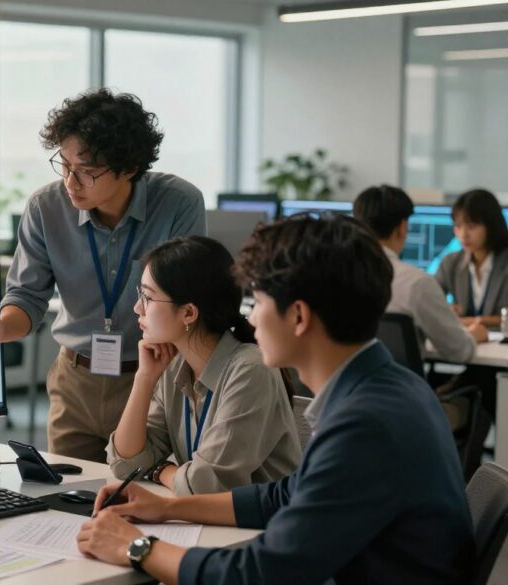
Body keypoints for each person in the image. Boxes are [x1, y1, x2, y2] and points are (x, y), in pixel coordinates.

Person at [76, 215, 473, 584]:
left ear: (298, 316)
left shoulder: (365, 423)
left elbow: (263, 573)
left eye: (260, 302)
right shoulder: (384, 388)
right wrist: (165, 508)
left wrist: (136, 547)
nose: (250, 319)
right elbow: (284, 495)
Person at [0, 89, 205, 462]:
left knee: (143, 489)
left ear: (129, 168)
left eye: (87, 171)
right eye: (64, 165)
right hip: (75, 378)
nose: (70, 181)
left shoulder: (179, 203)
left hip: (155, 376)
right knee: (66, 488)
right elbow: (26, 297)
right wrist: (1, 327)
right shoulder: (45, 207)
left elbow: (187, 300)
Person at [107, 236, 300, 495]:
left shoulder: (250, 370)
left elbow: (205, 485)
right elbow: (126, 463)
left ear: (188, 313)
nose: (137, 307)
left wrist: (158, 470)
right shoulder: (175, 365)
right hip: (206, 516)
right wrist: (144, 378)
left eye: (148, 297)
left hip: (264, 519)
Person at [353, 184, 485, 362]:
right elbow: (459, 351)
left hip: (345, 380)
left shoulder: (336, 275)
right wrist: (474, 335)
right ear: (403, 227)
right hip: (401, 380)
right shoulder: (416, 283)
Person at [437, 188, 508, 329]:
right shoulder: (451, 262)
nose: (463, 234)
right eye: (458, 226)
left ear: (490, 225)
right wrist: (445, 309)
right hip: (464, 340)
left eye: (471, 226)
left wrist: (478, 321)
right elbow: (428, 299)